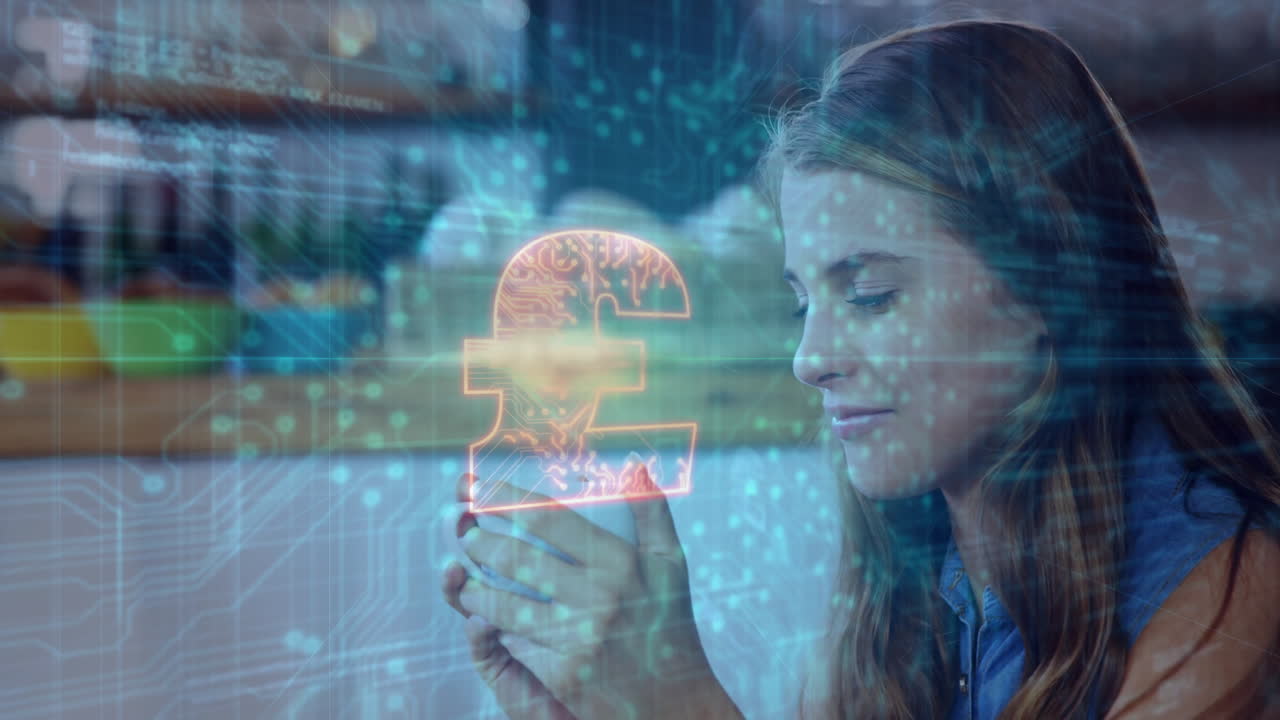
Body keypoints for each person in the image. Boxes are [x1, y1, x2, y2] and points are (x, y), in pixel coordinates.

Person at [441, 19, 1280, 719]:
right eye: (803, 303)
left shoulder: (1229, 606)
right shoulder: (906, 561)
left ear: (1049, 289)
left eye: (871, 294)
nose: (811, 360)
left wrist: (676, 702)